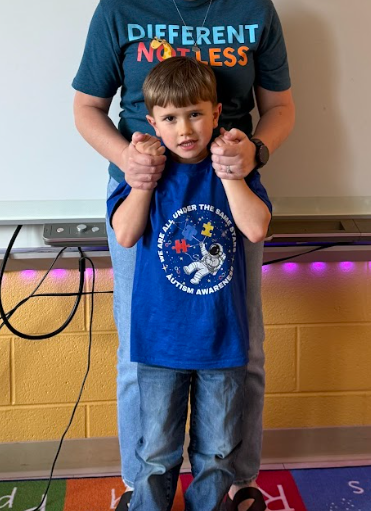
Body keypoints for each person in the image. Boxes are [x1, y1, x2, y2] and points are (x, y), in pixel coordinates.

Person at [72, 0, 295, 511]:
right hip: (146, 206)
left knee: (239, 354)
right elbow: (86, 108)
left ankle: (226, 490)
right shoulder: (120, 6)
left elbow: (280, 109)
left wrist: (252, 151)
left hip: (228, 202)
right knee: (146, 359)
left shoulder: (253, 9)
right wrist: (128, 159)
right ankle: (146, 490)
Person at [107, 57, 272, 511]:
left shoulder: (235, 169)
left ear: (217, 114)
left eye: (195, 114)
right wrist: (143, 180)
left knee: (217, 454)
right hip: (159, 343)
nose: (185, 129)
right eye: (170, 118)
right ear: (152, 123)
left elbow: (257, 228)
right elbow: (124, 234)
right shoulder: (145, 175)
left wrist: (232, 175)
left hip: (222, 341)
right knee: (156, 455)